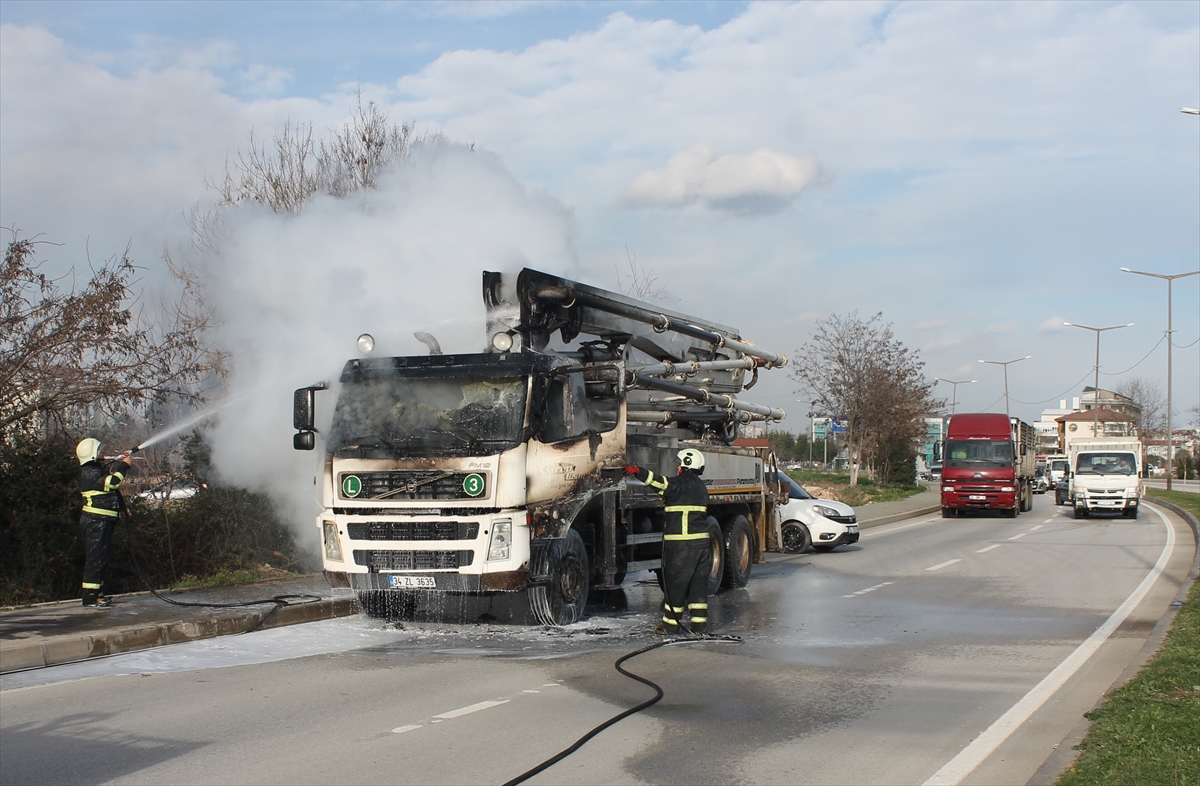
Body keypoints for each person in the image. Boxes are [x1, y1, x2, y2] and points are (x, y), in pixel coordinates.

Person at [625, 448, 711, 635]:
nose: (678, 466)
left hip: (681, 545)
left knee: (676, 585)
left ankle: (670, 626)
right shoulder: (700, 487)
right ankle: (699, 627)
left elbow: (659, 482)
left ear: (686, 465)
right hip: (702, 546)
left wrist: (638, 472)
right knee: (697, 586)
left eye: (680, 463)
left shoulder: (678, 484)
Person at [75, 438, 131, 608]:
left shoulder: (95, 471)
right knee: (96, 558)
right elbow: (113, 483)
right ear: (92, 455)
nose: (104, 455)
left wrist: (122, 507)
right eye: (100, 453)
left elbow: (107, 493)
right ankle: (90, 598)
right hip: (95, 522)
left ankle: (97, 594)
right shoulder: (90, 473)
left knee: (101, 557)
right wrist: (124, 465)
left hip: (101, 521)